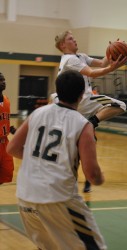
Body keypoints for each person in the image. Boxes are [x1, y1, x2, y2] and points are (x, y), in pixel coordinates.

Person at [7, 70, 107, 250]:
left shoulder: (37, 113)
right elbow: (92, 174)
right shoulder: (83, 125)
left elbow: (12, 148)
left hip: (25, 198)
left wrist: (37, 160)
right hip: (58, 199)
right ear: (82, 95)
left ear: (57, 91)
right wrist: (100, 178)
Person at [52, 30, 127, 192]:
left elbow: (101, 63)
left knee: (81, 145)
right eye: (71, 39)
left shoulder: (80, 56)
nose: (75, 40)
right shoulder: (70, 59)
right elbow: (92, 73)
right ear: (63, 45)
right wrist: (112, 68)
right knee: (120, 106)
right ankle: (92, 122)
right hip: (81, 100)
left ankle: (81, 179)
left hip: (74, 106)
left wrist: (112, 50)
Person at [0, 72, 16, 184]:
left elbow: (3, 119)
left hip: (5, 142)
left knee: (7, 173)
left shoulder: (6, 99)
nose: (3, 82)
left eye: (3, 79)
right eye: (0, 80)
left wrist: (10, 128)